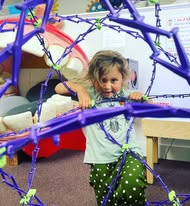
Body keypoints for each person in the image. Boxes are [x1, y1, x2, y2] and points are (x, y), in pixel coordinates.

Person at [55, 50, 148, 206]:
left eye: (114, 80)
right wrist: (80, 90)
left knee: (131, 185)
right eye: (102, 80)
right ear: (93, 79)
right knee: (106, 199)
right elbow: (58, 87)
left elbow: (150, 104)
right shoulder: (90, 94)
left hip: (128, 151)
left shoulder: (126, 94)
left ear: (123, 79)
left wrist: (140, 97)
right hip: (100, 157)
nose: (107, 86)